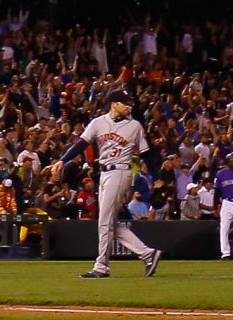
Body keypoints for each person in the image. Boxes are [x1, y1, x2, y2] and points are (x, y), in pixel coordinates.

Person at [65, 93, 163, 279]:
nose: (129, 107)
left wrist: (156, 177)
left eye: (130, 104)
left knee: (104, 222)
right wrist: (63, 160)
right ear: (114, 104)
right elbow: (80, 144)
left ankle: (101, 267)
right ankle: (147, 253)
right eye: (125, 104)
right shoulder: (98, 122)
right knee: (110, 222)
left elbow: (147, 154)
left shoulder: (134, 125)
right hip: (103, 173)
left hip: (120, 171)